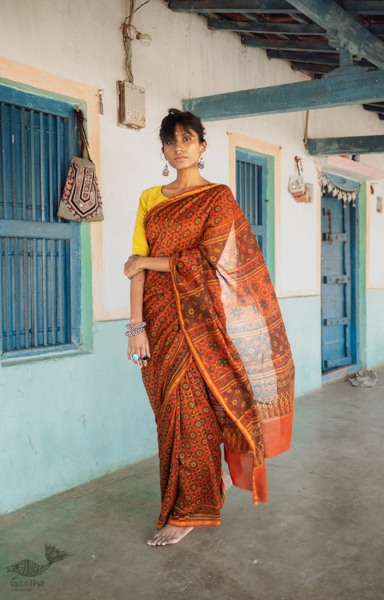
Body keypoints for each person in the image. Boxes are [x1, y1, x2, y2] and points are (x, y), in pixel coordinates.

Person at [124, 108, 295, 547]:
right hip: (158, 320)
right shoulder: (150, 199)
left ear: (202, 146)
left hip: (203, 322)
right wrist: (134, 325)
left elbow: (213, 262)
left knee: (192, 411)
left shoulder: (218, 198)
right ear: (163, 149)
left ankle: (188, 511)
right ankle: (198, 483)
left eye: (187, 139)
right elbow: (134, 269)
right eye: (171, 140)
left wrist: (148, 260)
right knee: (169, 414)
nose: (179, 147)